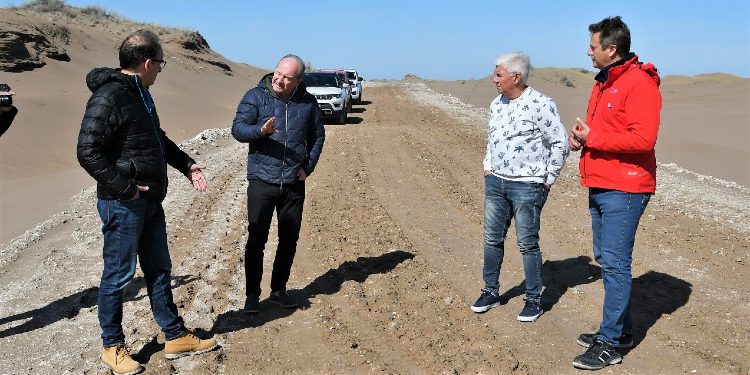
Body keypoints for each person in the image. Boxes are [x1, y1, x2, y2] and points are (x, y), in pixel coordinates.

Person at [76, 29, 218, 375]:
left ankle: (174, 335)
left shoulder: (140, 94)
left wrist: (186, 164)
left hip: (150, 201)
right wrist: (125, 189)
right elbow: (87, 152)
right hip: (123, 203)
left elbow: (155, 138)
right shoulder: (109, 96)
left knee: (159, 269)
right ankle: (112, 347)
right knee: (118, 276)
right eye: (160, 65)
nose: (159, 71)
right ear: (147, 63)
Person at [568, 16, 662, 370]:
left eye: (593, 47)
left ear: (611, 49)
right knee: (606, 259)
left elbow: (643, 139)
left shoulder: (639, 83)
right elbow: (605, 131)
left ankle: (610, 343)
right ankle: (619, 331)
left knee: (616, 263)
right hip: (602, 181)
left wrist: (594, 139)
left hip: (626, 187)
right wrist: (582, 139)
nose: (588, 52)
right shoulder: (605, 82)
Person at [470, 52, 569, 322]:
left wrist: (547, 180)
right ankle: (490, 292)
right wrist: (488, 165)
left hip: (528, 186)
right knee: (492, 240)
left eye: (498, 74)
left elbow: (560, 142)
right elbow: (492, 139)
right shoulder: (496, 104)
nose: (493, 79)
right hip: (496, 182)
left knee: (527, 244)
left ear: (516, 76)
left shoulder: (540, 104)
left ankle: (533, 300)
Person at [231, 54, 325, 314]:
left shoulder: (307, 103)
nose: (280, 80)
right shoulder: (255, 96)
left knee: (289, 239)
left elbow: (318, 135)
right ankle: (252, 295)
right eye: (278, 73)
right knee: (257, 239)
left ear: (298, 81)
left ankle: (278, 290)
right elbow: (238, 129)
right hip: (262, 180)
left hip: (294, 183)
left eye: (287, 77)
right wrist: (260, 131)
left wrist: (308, 167)